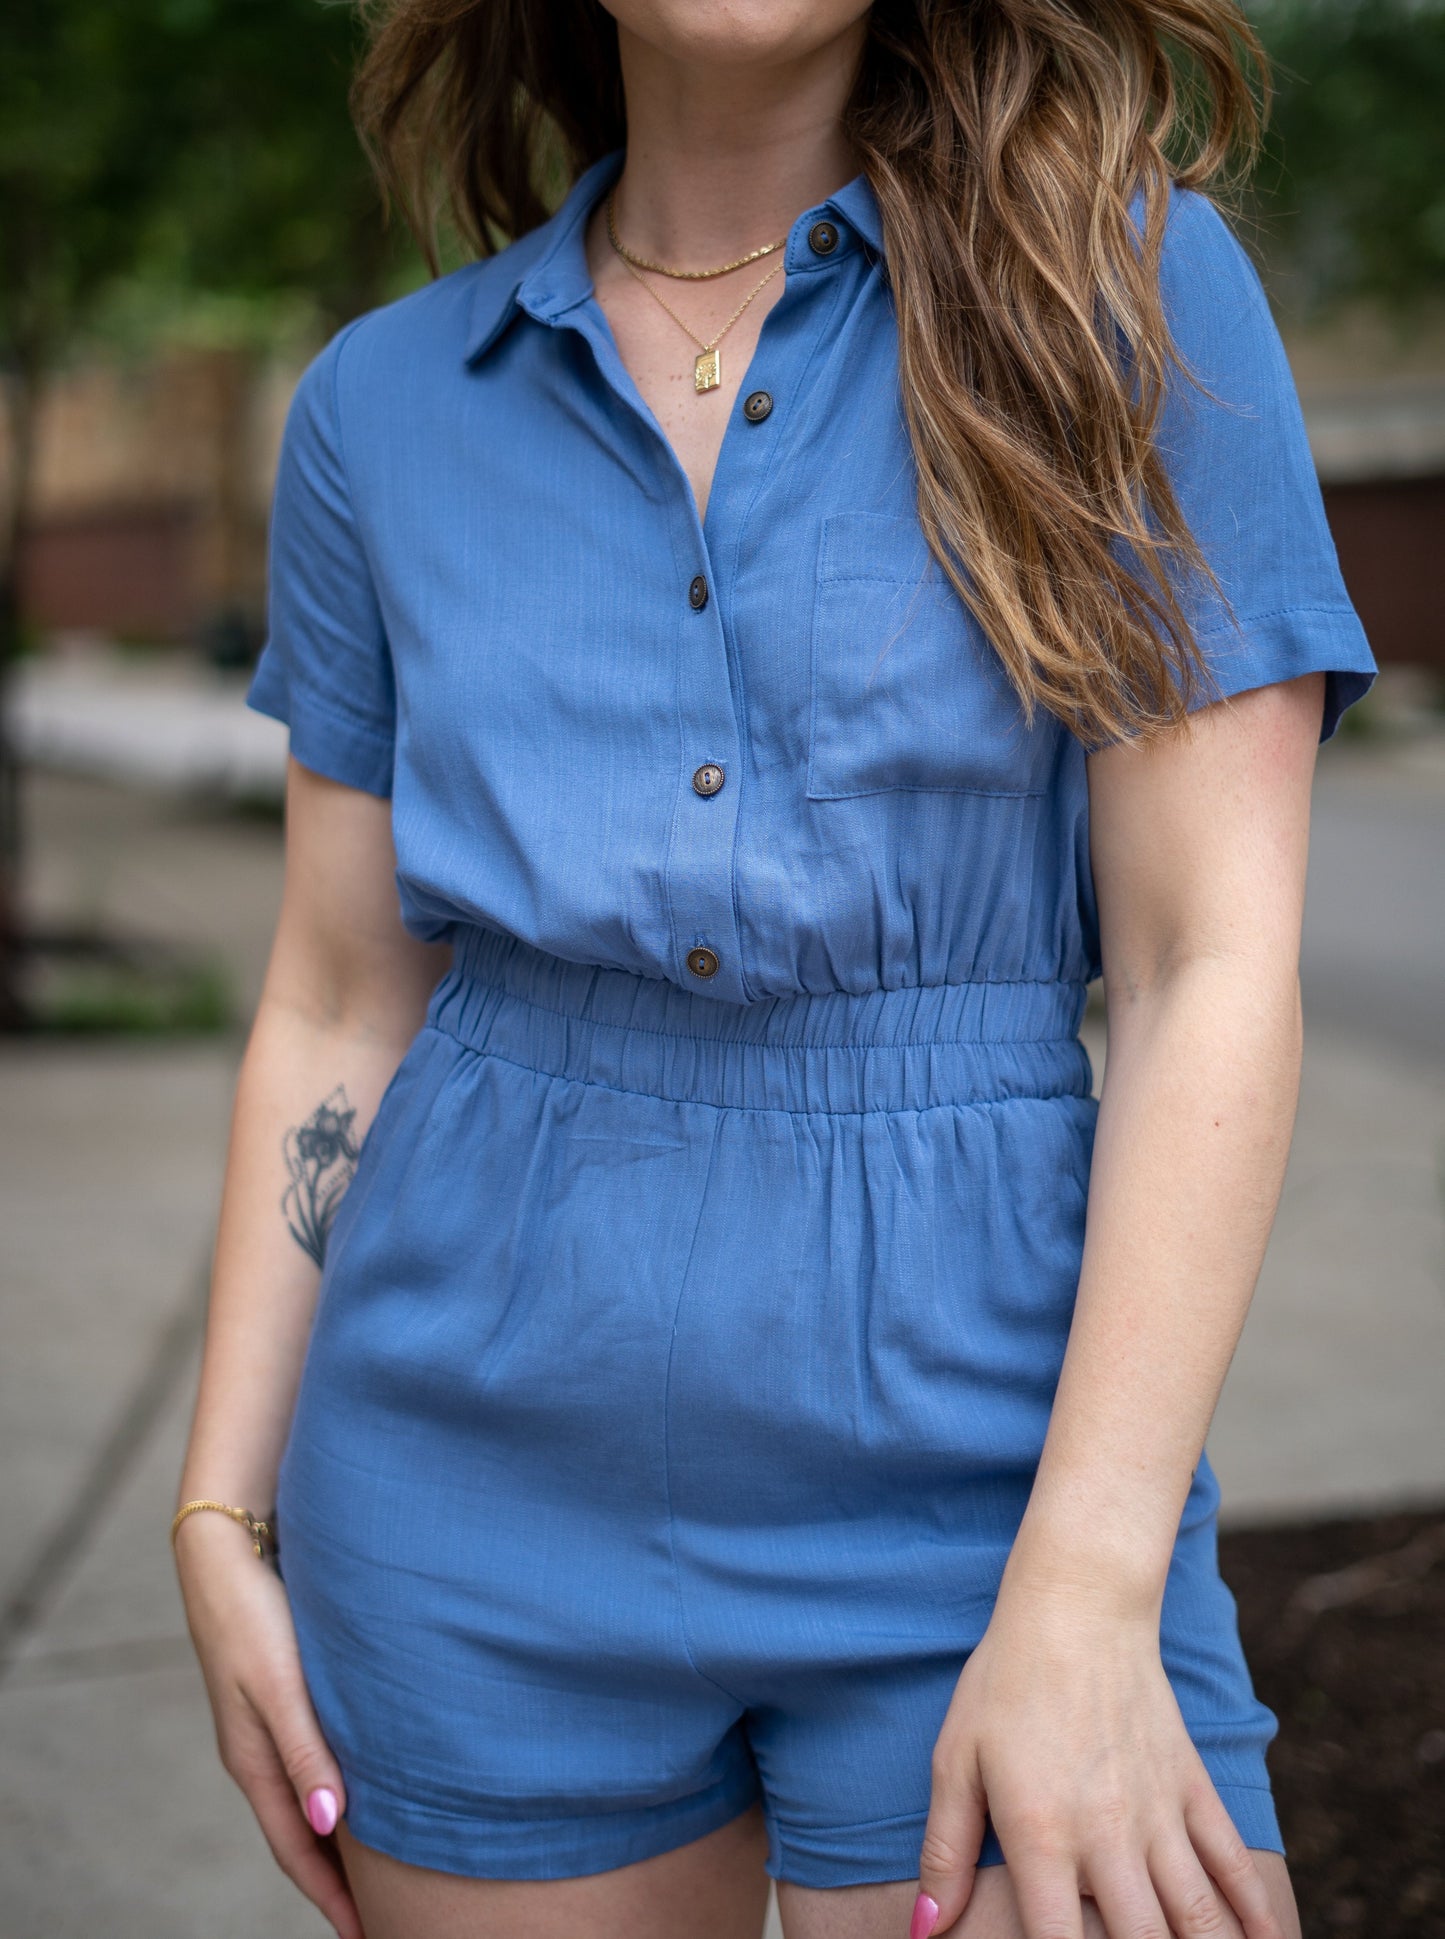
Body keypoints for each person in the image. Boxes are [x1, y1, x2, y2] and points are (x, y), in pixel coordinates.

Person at [171, 3, 1377, 1936]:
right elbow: (336, 993)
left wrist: (1082, 1587)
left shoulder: (1123, 299)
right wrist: (221, 1505)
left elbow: (1202, 964)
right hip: (463, 1498)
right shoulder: (378, 409)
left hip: (993, 1482)